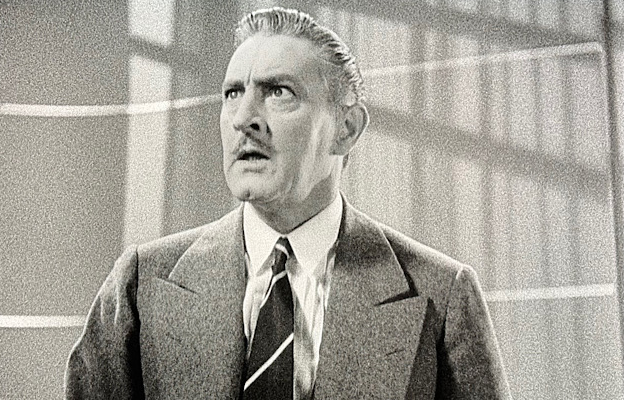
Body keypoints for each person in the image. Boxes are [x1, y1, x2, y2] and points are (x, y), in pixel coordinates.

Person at [65, 7, 510, 399]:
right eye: (233, 93)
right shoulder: (140, 286)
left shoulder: (441, 296)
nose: (244, 118)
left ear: (346, 129)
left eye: (278, 92)